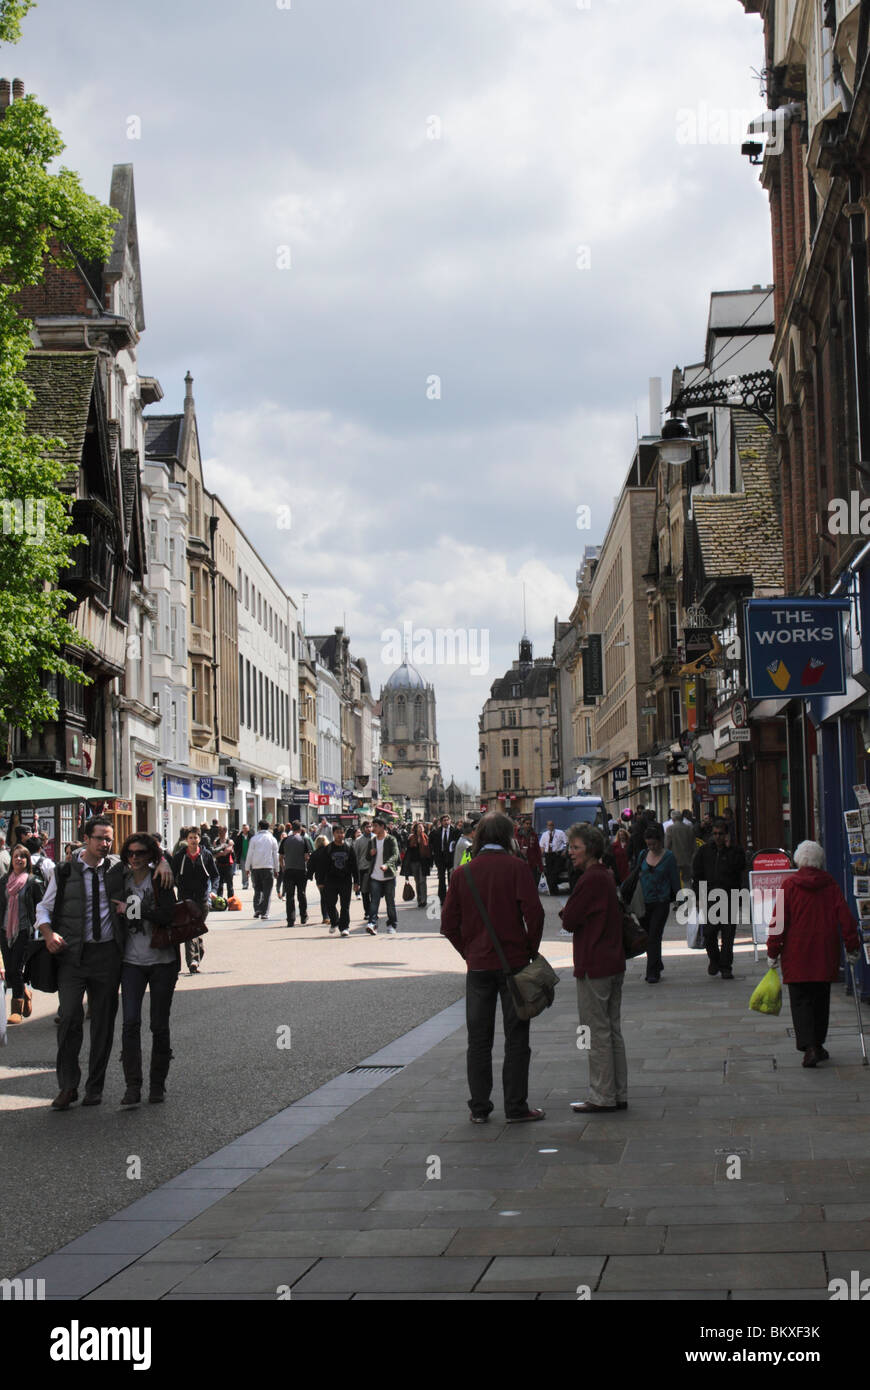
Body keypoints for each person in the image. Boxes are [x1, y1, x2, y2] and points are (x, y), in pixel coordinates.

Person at [35, 815, 173, 1109]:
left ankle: (94, 1088)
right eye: (99, 838)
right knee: (70, 1018)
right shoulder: (64, 871)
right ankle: (68, 1085)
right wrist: (48, 934)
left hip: (109, 956)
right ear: (86, 838)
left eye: (109, 838)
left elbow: (145, 859)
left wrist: (163, 861)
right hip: (72, 956)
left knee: (103, 1024)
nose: (105, 843)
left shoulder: (117, 869)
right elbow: (44, 909)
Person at [440, 811, 546, 1124]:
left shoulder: (463, 874)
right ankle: (515, 1106)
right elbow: (536, 915)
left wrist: (468, 951)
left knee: (479, 1039)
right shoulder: (517, 868)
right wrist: (528, 949)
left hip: (479, 966)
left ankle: (479, 1108)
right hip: (512, 964)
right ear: (508, 837)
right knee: (517, 1037)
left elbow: (448, 924)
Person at [767, 840, 861, 1068]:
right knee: (821, 999)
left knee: (800, 1001)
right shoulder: (830, 884)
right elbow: (846, 918)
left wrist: (773, 951)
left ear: (799, 860)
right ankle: (817, 1044)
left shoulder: (789, 886)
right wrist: (852, 945)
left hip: (796, 952)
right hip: (824, 951)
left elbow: (778, 922)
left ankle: (809, 1047)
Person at [561, 824, 627, 1112]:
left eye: (575, 847)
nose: (570, 852)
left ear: (589, 848)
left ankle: (602, 1095)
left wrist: (568, 911)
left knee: (595, 1030)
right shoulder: (605, 876)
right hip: (612, 961)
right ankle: (617, 1092)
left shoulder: (590, 879)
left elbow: (569, 919)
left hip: (595, 963)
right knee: (611, 1029)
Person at [112, 832, 179, 1105]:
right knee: (130, 1023)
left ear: (151, 854)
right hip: (131, 962)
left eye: (141, 853)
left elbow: (168, 915)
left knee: (159, 1025)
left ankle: (157, 1085)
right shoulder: (120, 878)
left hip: (162, 961)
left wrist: (133, 910)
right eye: (130, 853)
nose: (134, 857)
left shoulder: (160, 878)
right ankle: (132, 1085)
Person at [692, 817, 746, 980]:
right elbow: (698, 874)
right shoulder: (705, 851)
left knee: (728, 935)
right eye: (715, 833)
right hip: (711, 897)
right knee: (709, 933)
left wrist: (731, 849)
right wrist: (698, 896)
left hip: (730, 897)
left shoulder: (736, 851)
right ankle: (714, 960)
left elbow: (740, 867)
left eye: (721, 834)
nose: (717, 837)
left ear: (727, 834)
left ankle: (726, 966)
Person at [0, 843, 45, 1025]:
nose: (19, 859)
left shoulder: (33, 882)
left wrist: (41, 928)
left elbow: (40, 906)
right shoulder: (3, 881)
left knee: (15, 969)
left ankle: (16, 1009)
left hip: (24, 930)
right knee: (8, 970)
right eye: (16, 856)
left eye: (23, 856)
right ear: (11, 859)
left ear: (28, 861)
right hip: (4, 929)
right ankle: (25, 992)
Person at [635, 821, 680, 984]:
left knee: (654, 935)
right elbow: (636, 875)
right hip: (644, 903)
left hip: (661, 901)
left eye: (653, 844)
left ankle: (652, 972)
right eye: (648, 844)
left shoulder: (668, 857)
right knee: (648, 937)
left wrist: (679, 898)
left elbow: (674, 878)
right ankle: (657, 962)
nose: (651, 847)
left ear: (660, 841)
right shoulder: (642, 855)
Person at [171, 829, 215, 972]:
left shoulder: (206, 855)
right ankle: (193, 961)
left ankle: (198, 954)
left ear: (199, 839)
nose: (193, 840)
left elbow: (215, 875)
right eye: (190, 838)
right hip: (185, 898)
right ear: (187, 839)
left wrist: (213, 891)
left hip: (202, 898)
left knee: (197, 929)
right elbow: (172, 874)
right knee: (190, 929)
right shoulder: (179, 857)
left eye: (195, 837)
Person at [322, 825, 360, 936]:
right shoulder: (328, 849)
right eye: (338, 833)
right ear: (333, 834)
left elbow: (354, 866)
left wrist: (357, 882)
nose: (340, 835)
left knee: (345, 905)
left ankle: (344, 927)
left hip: (345, 880)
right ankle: (334, 921)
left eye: (342, 833)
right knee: (330, 904)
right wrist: (320, 881)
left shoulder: (349, 848)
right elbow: (322, 866)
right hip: (331, 880)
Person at [366, 817, 400, 935]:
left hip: (389, 876)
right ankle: (372, 923)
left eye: (375, 826)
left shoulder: (391, 839)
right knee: (374, 902)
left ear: (382, 826)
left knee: (390, 902)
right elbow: (367, 857)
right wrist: (370, 854)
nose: (373, 828)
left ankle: (392, 924)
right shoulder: (372, 841)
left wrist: (387, 865)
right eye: (372, 826)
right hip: (375, 876)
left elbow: (395, 855)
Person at [245, 820, 279, 921]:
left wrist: (247, 868)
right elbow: (275, 855)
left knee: (257, 890)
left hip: (256, 868)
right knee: (267, 891)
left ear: (259, 827)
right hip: (268, 867)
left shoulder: (254, 839)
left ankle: (257, 909)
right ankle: (264, 912)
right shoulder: (272, 839)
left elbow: (249, 854)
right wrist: (277, 869)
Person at [280, 822, 309, 926]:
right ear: (300, 829)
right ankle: (303, 917)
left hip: (289, 870)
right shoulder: (303, 840)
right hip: (301, 870)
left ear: (292, 828)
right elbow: (306, 857)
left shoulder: (285, 840)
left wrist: (283, 867)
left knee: (290, 896)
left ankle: (291, 920)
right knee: (301, 894)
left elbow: (281, 857)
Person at [403, 821, 432, 907]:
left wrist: (430, 863)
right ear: (416, 829)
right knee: (417, 881)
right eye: (419, 827)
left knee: (423, 881)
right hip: (414, 862)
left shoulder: (426, 837)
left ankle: (424, 900)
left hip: (423, 862)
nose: (421, 828)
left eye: (422, 827)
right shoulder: (411, 837)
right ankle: (419, 899)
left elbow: (429, 851)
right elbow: (408, 850)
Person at [666, 811, 697, 890]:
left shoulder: (670, 829)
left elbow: (667, 845)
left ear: (673, 819)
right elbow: (694, 845)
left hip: (674, 859)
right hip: (687, 859)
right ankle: (689, 897)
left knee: (674, 880)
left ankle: (677, 898)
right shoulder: (689, 828)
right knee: (687, 880)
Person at [432, 814, 458, 904]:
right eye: (444, 820)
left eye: (448, 820)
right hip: (441, 858)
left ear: (450, 821)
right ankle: (442, 899)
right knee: (441, 879)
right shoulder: (437, 832)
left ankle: (452, 898)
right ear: (441, 822)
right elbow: (434, 845)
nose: (446, 822)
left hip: (451, 858)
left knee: (451, 879)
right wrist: (435, 857)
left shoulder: (455, 831)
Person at [307, 835, 332, 923]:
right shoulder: (330, 852)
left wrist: (309, 876)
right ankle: (331, 915)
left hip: (320, 879)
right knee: (331, 896)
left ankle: (325, 916)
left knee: (323, 897)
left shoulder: (315, 853)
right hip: (330, 877)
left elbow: (310, 866)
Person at [352, 820, 373, 921]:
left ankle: (373, 912)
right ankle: (367, 912)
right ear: (363, 828)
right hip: (363, 869)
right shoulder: (359, 840)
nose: (369, 828)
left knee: (374, 892)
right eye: (367, 827)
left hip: (374, 869)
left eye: (370, 827)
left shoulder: (375, 838)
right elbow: (355, 856)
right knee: (365, 892)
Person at [540, 820, 568, 895]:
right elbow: (542, 845)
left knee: (555, 871)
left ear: (554, 825)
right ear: (547, 826)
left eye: (552, 825)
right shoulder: (544, 834)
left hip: (557, 855)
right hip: (548, 855)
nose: (550, 827)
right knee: (549, 872)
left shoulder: (560, 833)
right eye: (549, 825)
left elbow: (566, 842)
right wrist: (542, 854)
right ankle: (554, 890)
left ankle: (552, 889)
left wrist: (564, 851)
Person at [212, 825, 235, 898]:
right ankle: (219, 901)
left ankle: (231, 901)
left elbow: (226, 853)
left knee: (230, 885)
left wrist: (220, 853)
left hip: (228, 866)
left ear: (225, 831)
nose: (220, 833)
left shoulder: (230, 841)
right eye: (219, 831)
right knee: (219, 884)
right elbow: (214, 854)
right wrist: (222, 852)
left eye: (221, 831)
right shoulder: (216, 842)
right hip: (219, 865)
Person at [233, 824, 252, 890]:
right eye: (243, 828)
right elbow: (236, 846)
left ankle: (255, 883)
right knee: (244, 871)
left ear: (248, 829)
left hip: (251, 857)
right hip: (242, 856)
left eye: (246, 828)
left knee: (253, 870)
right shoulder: (239, 837)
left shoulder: (252, 836)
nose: (245, 829)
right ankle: (245, 884)